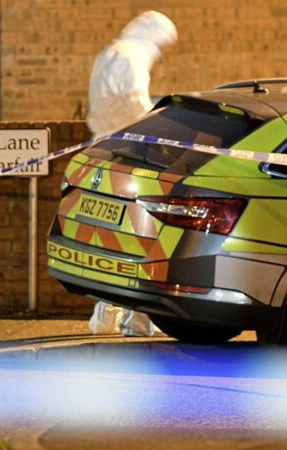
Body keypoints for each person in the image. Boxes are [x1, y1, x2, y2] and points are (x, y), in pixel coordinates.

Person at [85, 10, 177, 337]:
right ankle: (136, 320)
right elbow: (136, 102)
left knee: (107, 237)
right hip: (130, 155)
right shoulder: (132, 57)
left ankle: (105, 317)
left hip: (102, 152)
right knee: (138, 237)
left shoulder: (110, 52)